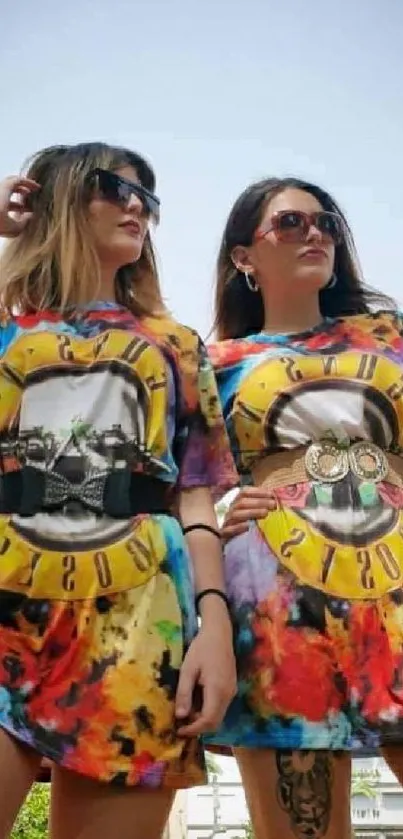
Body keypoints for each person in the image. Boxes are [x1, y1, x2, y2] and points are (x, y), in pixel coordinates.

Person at [0, 144, 238, 839]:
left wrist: (215, 626)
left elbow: (193, 498)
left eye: (148, 197)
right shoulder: (9, 328)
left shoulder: (176, 343)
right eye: (114, 187)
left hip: (139, 622)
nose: (137, 205)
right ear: (58, 197)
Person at [205, 176, 403, 839]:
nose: (314, 232)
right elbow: (174, 485)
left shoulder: (387, 335)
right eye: (290, 223)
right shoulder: (215, 362)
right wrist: (215, 512)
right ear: (243, 257)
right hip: (278, 614)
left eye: (324, 222)